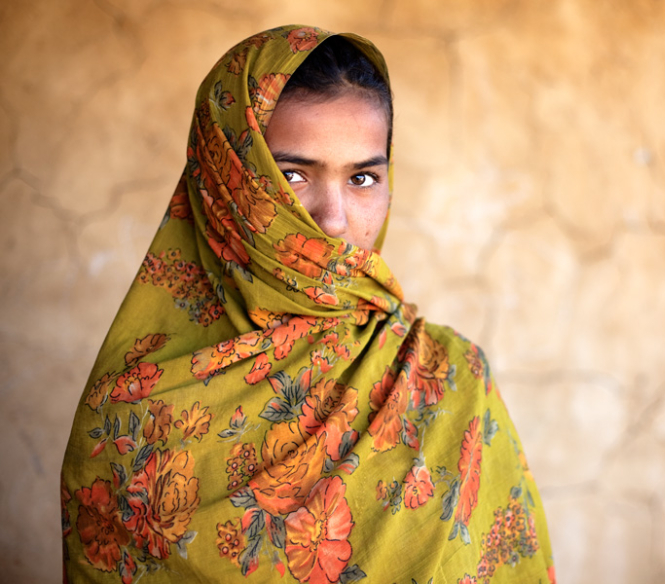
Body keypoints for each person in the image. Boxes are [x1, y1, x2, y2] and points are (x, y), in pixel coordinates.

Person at [61, 25, 555, 583]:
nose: (334, 220)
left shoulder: (447, 380)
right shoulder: (131, 414)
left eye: (363, 177)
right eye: (292, 175)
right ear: (226, 182)